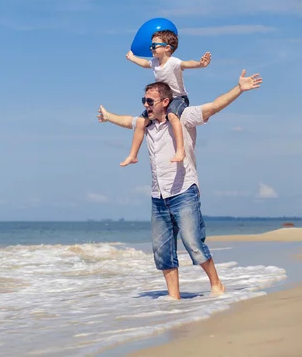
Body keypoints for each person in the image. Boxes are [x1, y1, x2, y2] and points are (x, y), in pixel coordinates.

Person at [97, 69, 263, 299]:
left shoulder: (183, 118)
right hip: (159, 196)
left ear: (165, 102)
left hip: (184, 191)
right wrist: (108, 117)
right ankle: (173, 298)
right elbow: (127, 121)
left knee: (193, 242)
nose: (146, 104)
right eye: (143, 100)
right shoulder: (146, 124)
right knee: (162, 250)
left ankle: (216, 284)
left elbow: (213, 106)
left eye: (150, 101)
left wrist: (239, 89)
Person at [122, 29, 211, 167]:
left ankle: (180, 150)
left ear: (167, 48)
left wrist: (200, 64)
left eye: (154, 46)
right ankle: (133, 155)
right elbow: (145, 64)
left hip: (178, 98)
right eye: (151, 46)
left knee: (172, 116)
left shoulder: (173, 62)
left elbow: (187, 64)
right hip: (162, 100)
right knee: (140, 122)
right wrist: (132, 57)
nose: (151, 48)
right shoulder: (155, 63)